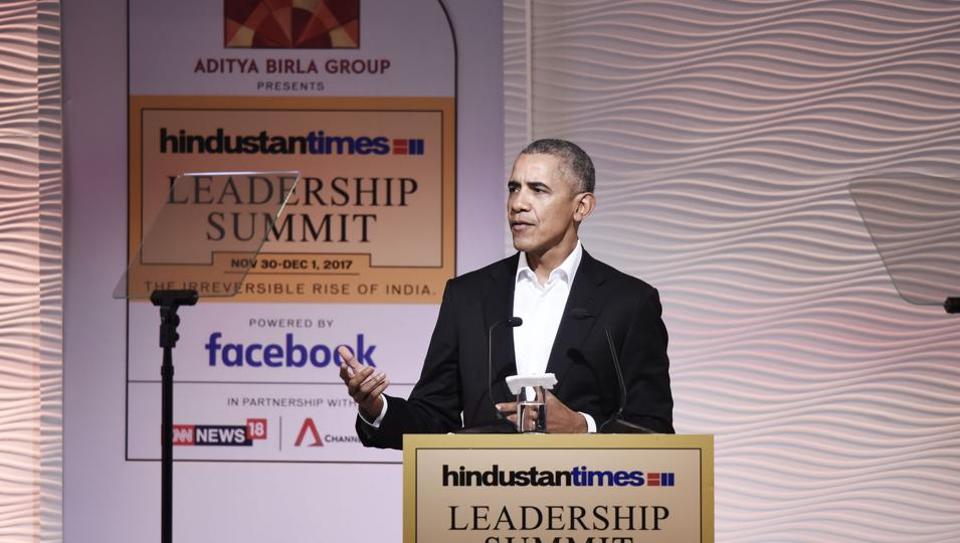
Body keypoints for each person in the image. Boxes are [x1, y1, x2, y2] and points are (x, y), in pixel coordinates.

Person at [337, 139, 673, 449]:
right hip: (486, 504)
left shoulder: (628, 302)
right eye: (514, 188)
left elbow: (653, 427)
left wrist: (580, 427)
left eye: (538, 190)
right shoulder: (468, 296)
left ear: (581, 206)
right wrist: (376, 407)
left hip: (590, 502)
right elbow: (434, 418)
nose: (518, 204)